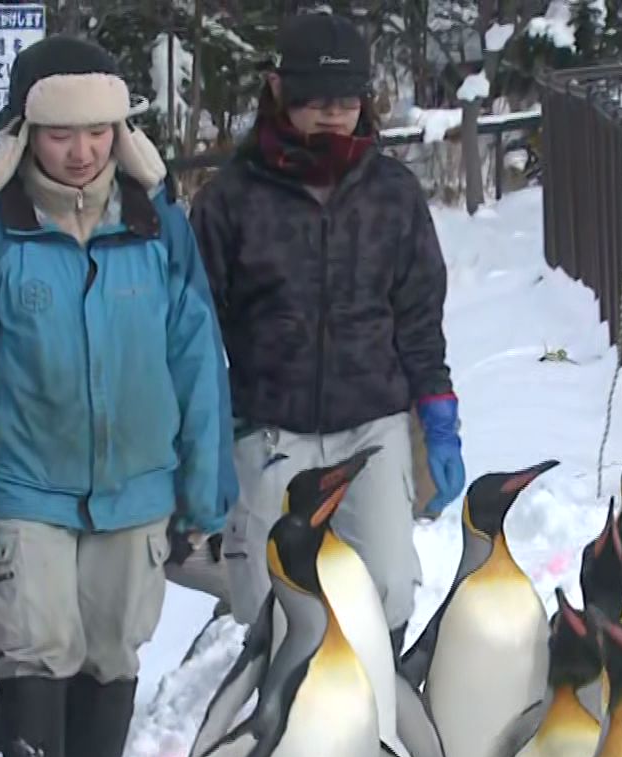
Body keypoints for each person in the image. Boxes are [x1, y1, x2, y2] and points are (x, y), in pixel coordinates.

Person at [0, 35, 232, 757]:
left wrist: (204, 486)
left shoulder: (154, 222)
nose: (84, 149)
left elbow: (196, 355)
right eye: (64, 133)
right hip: (28, 481)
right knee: (36, 643)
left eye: (100, 131)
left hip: (136, 485)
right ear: (27, 133)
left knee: (111, 648)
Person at [190, 12, 460, 656]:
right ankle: (279, 729)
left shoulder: (393, 195)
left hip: (373, 420)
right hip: (270, 426)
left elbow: (420, 316)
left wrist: (439, 415)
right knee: (265, 598)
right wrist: (207, 436)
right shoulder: (231, 200)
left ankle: (377, 718)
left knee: (390, 583)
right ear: (279, 93)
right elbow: (198, 329)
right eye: (315, 102)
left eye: (345, 102)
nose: (332, 116)